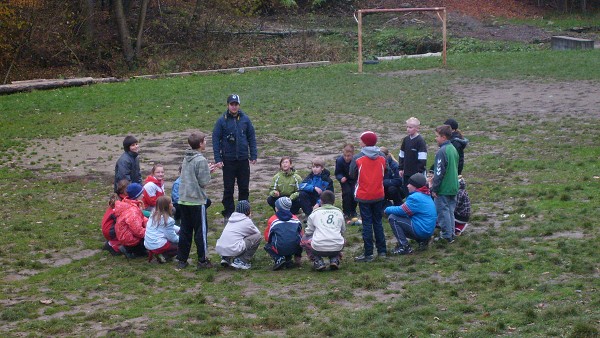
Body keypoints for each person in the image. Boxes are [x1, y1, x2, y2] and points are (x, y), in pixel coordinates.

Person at [212, 94, 258, 222]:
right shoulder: (222, 120)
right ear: (228, 105)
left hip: (243, 159)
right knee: (228, 188)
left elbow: (251, 137)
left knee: (244, 187)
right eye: (231, 104)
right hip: (228, 160)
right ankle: (229, 212)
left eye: (236, 104)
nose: (234, 106)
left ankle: (244, 212)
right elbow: (215, 139)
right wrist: (218, 159)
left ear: (239, 105)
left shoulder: (245, 120)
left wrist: (253, 154)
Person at [176, 131, 215, 270]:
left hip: (183, 199)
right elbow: (203, 181)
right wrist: (209, 171)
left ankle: (181, 260)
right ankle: (203, 260)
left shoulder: (186, 158)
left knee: (185, 231)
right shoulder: (201, 160)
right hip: (197, 201)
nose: (206, 143)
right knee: (201, 232)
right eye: (204, 141)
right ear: (200, 144)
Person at [350, 131, 388, 262]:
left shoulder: (358, 158)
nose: (359, 142)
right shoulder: (382, 156)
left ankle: (368, 253)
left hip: (364, 195)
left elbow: (352, 173)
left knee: (367, 224)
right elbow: (386, 170)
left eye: (361, 140)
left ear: (365, 142)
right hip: (378, 194)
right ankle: (382, 251)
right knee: (378, 222)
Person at [384, 173, 437, 254]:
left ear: (415, 186)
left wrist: (387, 209)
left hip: (422, 230)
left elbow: (401, 210)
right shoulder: (426, 194)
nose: (407, 186)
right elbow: (407, 211)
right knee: (407, 218)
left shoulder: (416, 197)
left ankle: (404, 247)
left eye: (410, 184)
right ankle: (423, 241)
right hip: (428, 230)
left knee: (393, 218)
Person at [300, 191, 346, 271]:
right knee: (342, 238)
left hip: (318, 247)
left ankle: (318, 261)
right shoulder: (339, 213)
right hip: (337, 247)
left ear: (321, 201)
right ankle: (335, 259)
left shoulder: (315, 213)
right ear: (334, 201)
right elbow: (343, 230)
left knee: (304, 239)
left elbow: (308, 232)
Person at [431, 125, 459, 243]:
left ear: (443, 137)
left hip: (444, 188)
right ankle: (451, 233)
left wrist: (434, 188)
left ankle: (446, 236)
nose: (436, 139)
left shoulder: (442, 152)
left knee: (443, 213)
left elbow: (439, 172)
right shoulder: (453, 149)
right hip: (454, 186)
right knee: (450, 212)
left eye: (437, 136)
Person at [216, 200, 262, 270]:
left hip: (221, 248)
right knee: (258, 237)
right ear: (248, 211)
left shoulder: (231, 219)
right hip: (233, 249)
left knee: (233, 237)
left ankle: (226, 258)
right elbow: (257, 233)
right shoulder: (246, 221)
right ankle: (241, 261)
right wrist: (249, 218)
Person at [264, 197, 303, 270]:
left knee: (268, 246)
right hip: (295, 247)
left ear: (277, 208)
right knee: (297, 240)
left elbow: (267, 237)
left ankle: (279, 258)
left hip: (279, 248)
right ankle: (296, 258)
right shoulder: (295, 219)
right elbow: (301, 234)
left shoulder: (273, 220)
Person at [114, 183, 147, 258]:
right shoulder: (132, 211)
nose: (143, 195)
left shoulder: (129, 204)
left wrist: (148, 223)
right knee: (147, 244)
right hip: (129, 239)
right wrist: (150, 233)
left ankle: (129, 249)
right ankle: (130, 250)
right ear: (137, 196)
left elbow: (141, 217)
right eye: (141, 194)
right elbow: (137, 230)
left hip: (124, 235)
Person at [144, 196, 179, 263]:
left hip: (148, 243)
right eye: (171, 203)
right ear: (167, 206)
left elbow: (169, 227)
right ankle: (164, 256)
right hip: (158, 244)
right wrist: (182, 238)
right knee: (180, 246)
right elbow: (172, 238)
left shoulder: (153, 214)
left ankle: (158, 253)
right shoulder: (168, 220)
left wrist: (180, 230)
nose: (172, 204)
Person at [398, 117, 427, 198]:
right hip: (406, 171)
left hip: (415, 173)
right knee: (406, 190)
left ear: (417, 128)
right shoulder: (406, 139)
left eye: (410, 127)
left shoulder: (420, 141)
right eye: (407, 127)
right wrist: (400, 168)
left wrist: (419, 171)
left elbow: (422, 158)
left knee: (415, 192)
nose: (408, 129)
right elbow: (401, 154)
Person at [101, 179, 129, 255]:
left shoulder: (118, 199)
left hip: (107, 228)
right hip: (110, 230)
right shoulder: (122, 203)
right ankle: (113, 245)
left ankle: (112, 242)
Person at [334, 143, 358, 222]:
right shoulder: (340, 161)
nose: (346, 158)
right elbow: (337, 173)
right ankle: (346, 212)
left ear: (353, 154)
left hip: (354, 180)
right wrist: (341, 178)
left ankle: (353, 211)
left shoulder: (356, 160)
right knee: (346, 194)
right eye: (345, 155)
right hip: (345, 180)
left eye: (349, 156)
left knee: (354, 194)